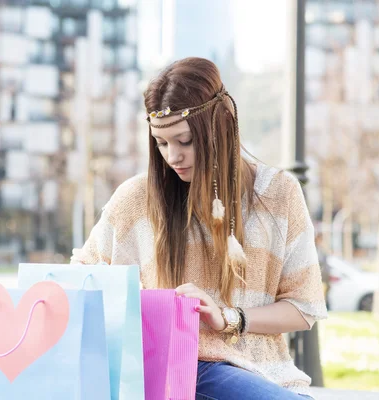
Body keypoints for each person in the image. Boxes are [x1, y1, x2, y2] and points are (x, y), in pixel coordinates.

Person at [71, 57, 327, 399]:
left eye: (184, 140)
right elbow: (81, 280)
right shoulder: (136, 200)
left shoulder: (278, 194)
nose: (172, 156)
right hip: (177, 370)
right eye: (162, 144)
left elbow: (303, 308)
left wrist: (228, 318)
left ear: (219, 125)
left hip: (269, 376)